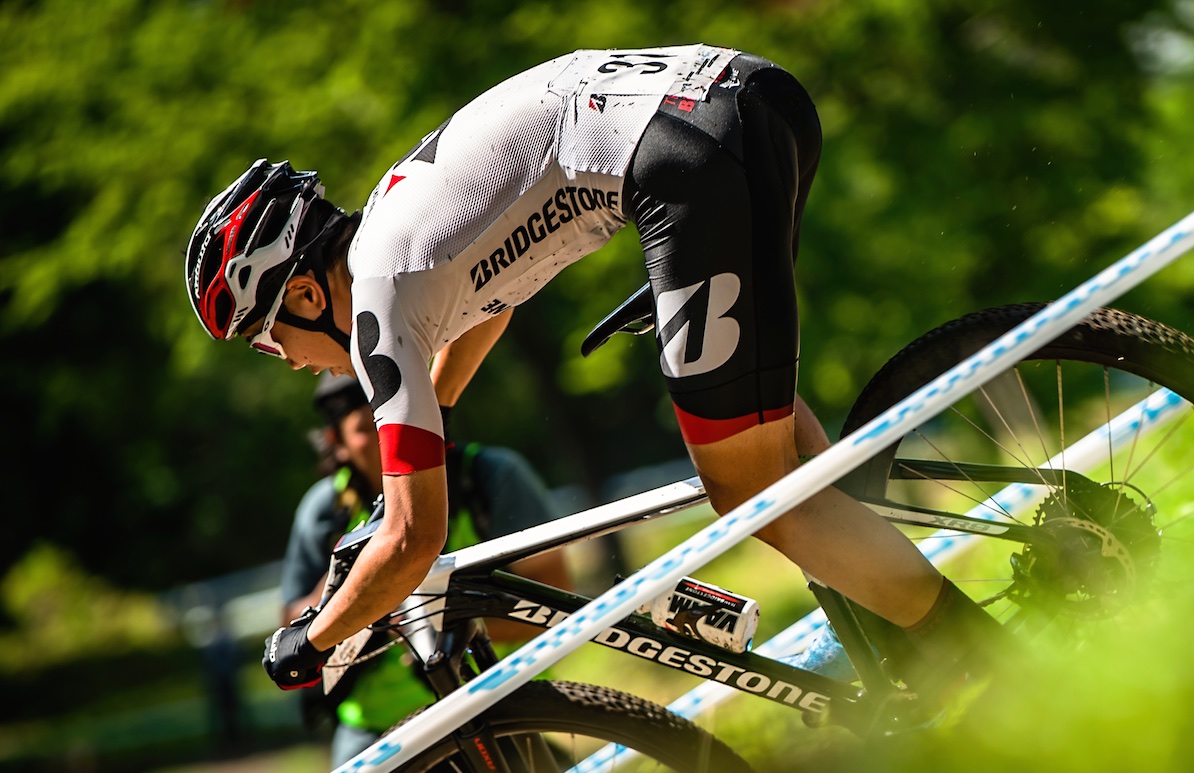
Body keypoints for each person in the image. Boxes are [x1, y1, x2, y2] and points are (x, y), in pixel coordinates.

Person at [185, 45, 997, 695]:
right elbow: (493, 302)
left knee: (751, 491)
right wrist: (435, 416)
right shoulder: (398, 236)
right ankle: (899, 631)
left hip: (690, 156)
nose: (287, 361)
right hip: (747, 95)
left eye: (266, 338)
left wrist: (310, 638)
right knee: (774, 453)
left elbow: (412, 538)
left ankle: (992, 662)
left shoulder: (378, 297)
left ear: (302, 292)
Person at [283, 371, 570, 765]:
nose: (387, 437)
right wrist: (350, 585)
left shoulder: (490, 476)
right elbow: (291, 625)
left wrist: (440, 626)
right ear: (337, 442)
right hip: (380, 730)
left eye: (393, 419)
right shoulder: (324, 512)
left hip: (501, 704)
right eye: (368, 427)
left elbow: (557, 605)